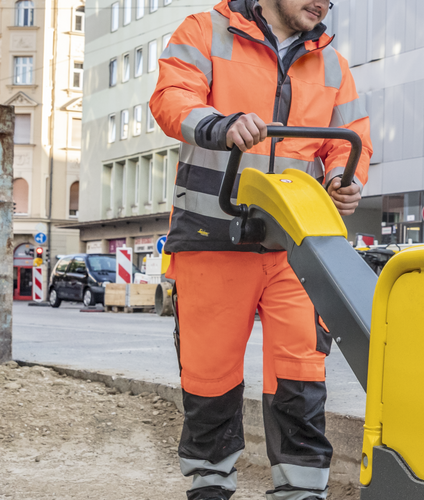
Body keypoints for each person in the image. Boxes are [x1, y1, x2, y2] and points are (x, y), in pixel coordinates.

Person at [150, 0, 370, 498]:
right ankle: (209, 486)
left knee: (302, 372)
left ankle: (301, 490)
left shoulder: (333, 62)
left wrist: (344, 177)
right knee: (209, 373)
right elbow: (171, 97)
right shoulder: (206, 30)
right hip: (214, 235)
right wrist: (220, 124)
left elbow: (349, 140)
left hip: (298, 243)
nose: (323, 3)